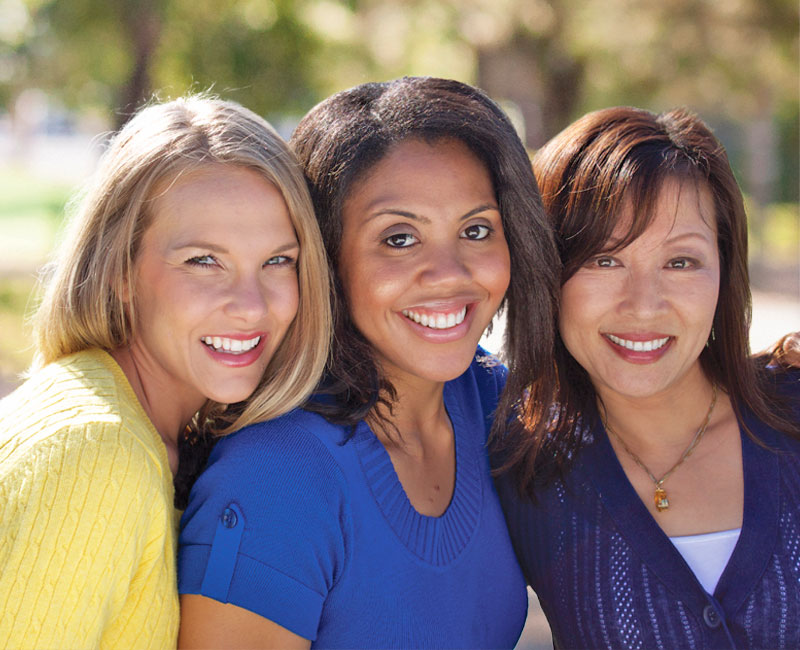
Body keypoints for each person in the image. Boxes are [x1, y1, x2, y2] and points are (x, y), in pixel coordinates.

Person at [177, 76, 560, 648]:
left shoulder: (489, 404)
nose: (451, 273)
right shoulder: (276, 479)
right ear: (328, 261)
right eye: (399, 239)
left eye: (476, 230)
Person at [0, 95, 330, 648]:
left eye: (278, 260)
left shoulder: (142, 432)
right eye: (204, 260)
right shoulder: (97, 455)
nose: (251, 305)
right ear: (119, 271)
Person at [494, 106, 800, 649]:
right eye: (603, 261)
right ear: (546, 271)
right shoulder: (520, 469)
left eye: (681, 262)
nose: (643, 306)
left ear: (725, 272)